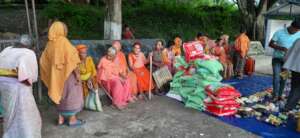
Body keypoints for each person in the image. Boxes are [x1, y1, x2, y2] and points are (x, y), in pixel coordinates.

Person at [40, 21, 84, 127]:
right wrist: (77, 75)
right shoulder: (64, 42)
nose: (66, 31)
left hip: (56, 78)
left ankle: (61, 118)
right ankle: (72, 120)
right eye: (64, 29)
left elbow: (43, 61)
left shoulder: (49, 44)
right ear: (60, 30)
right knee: (72, 95)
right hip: (67, 75)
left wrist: (51, 74)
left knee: (60, 95)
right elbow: (73, 60)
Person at [0, 35, 41, 138]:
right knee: (25, 115)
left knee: (9, 114)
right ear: (30, 46)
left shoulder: (7, 50)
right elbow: (27, 77)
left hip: (3, 87)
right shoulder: (28, 53)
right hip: (19, 88)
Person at [269, 19, 300, 101]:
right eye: (295, 30)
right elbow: (270, 44)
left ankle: (280, 95)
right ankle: (275, 95)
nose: (296, 31)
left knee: (284, 78)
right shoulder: (279, 32)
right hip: (277, 59)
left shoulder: (299, 34)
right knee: (276, 77)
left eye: (298, 30)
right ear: (291, 26)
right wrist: (281, 48)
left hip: (287, 62)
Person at [283, 38, 300, 112]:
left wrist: (287, 64)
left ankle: (289, 107)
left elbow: (290, 52)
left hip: (296, 69)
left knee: (295, 88)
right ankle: (289, 107)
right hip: (296, 68)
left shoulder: (298, 40)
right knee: (296, 89)